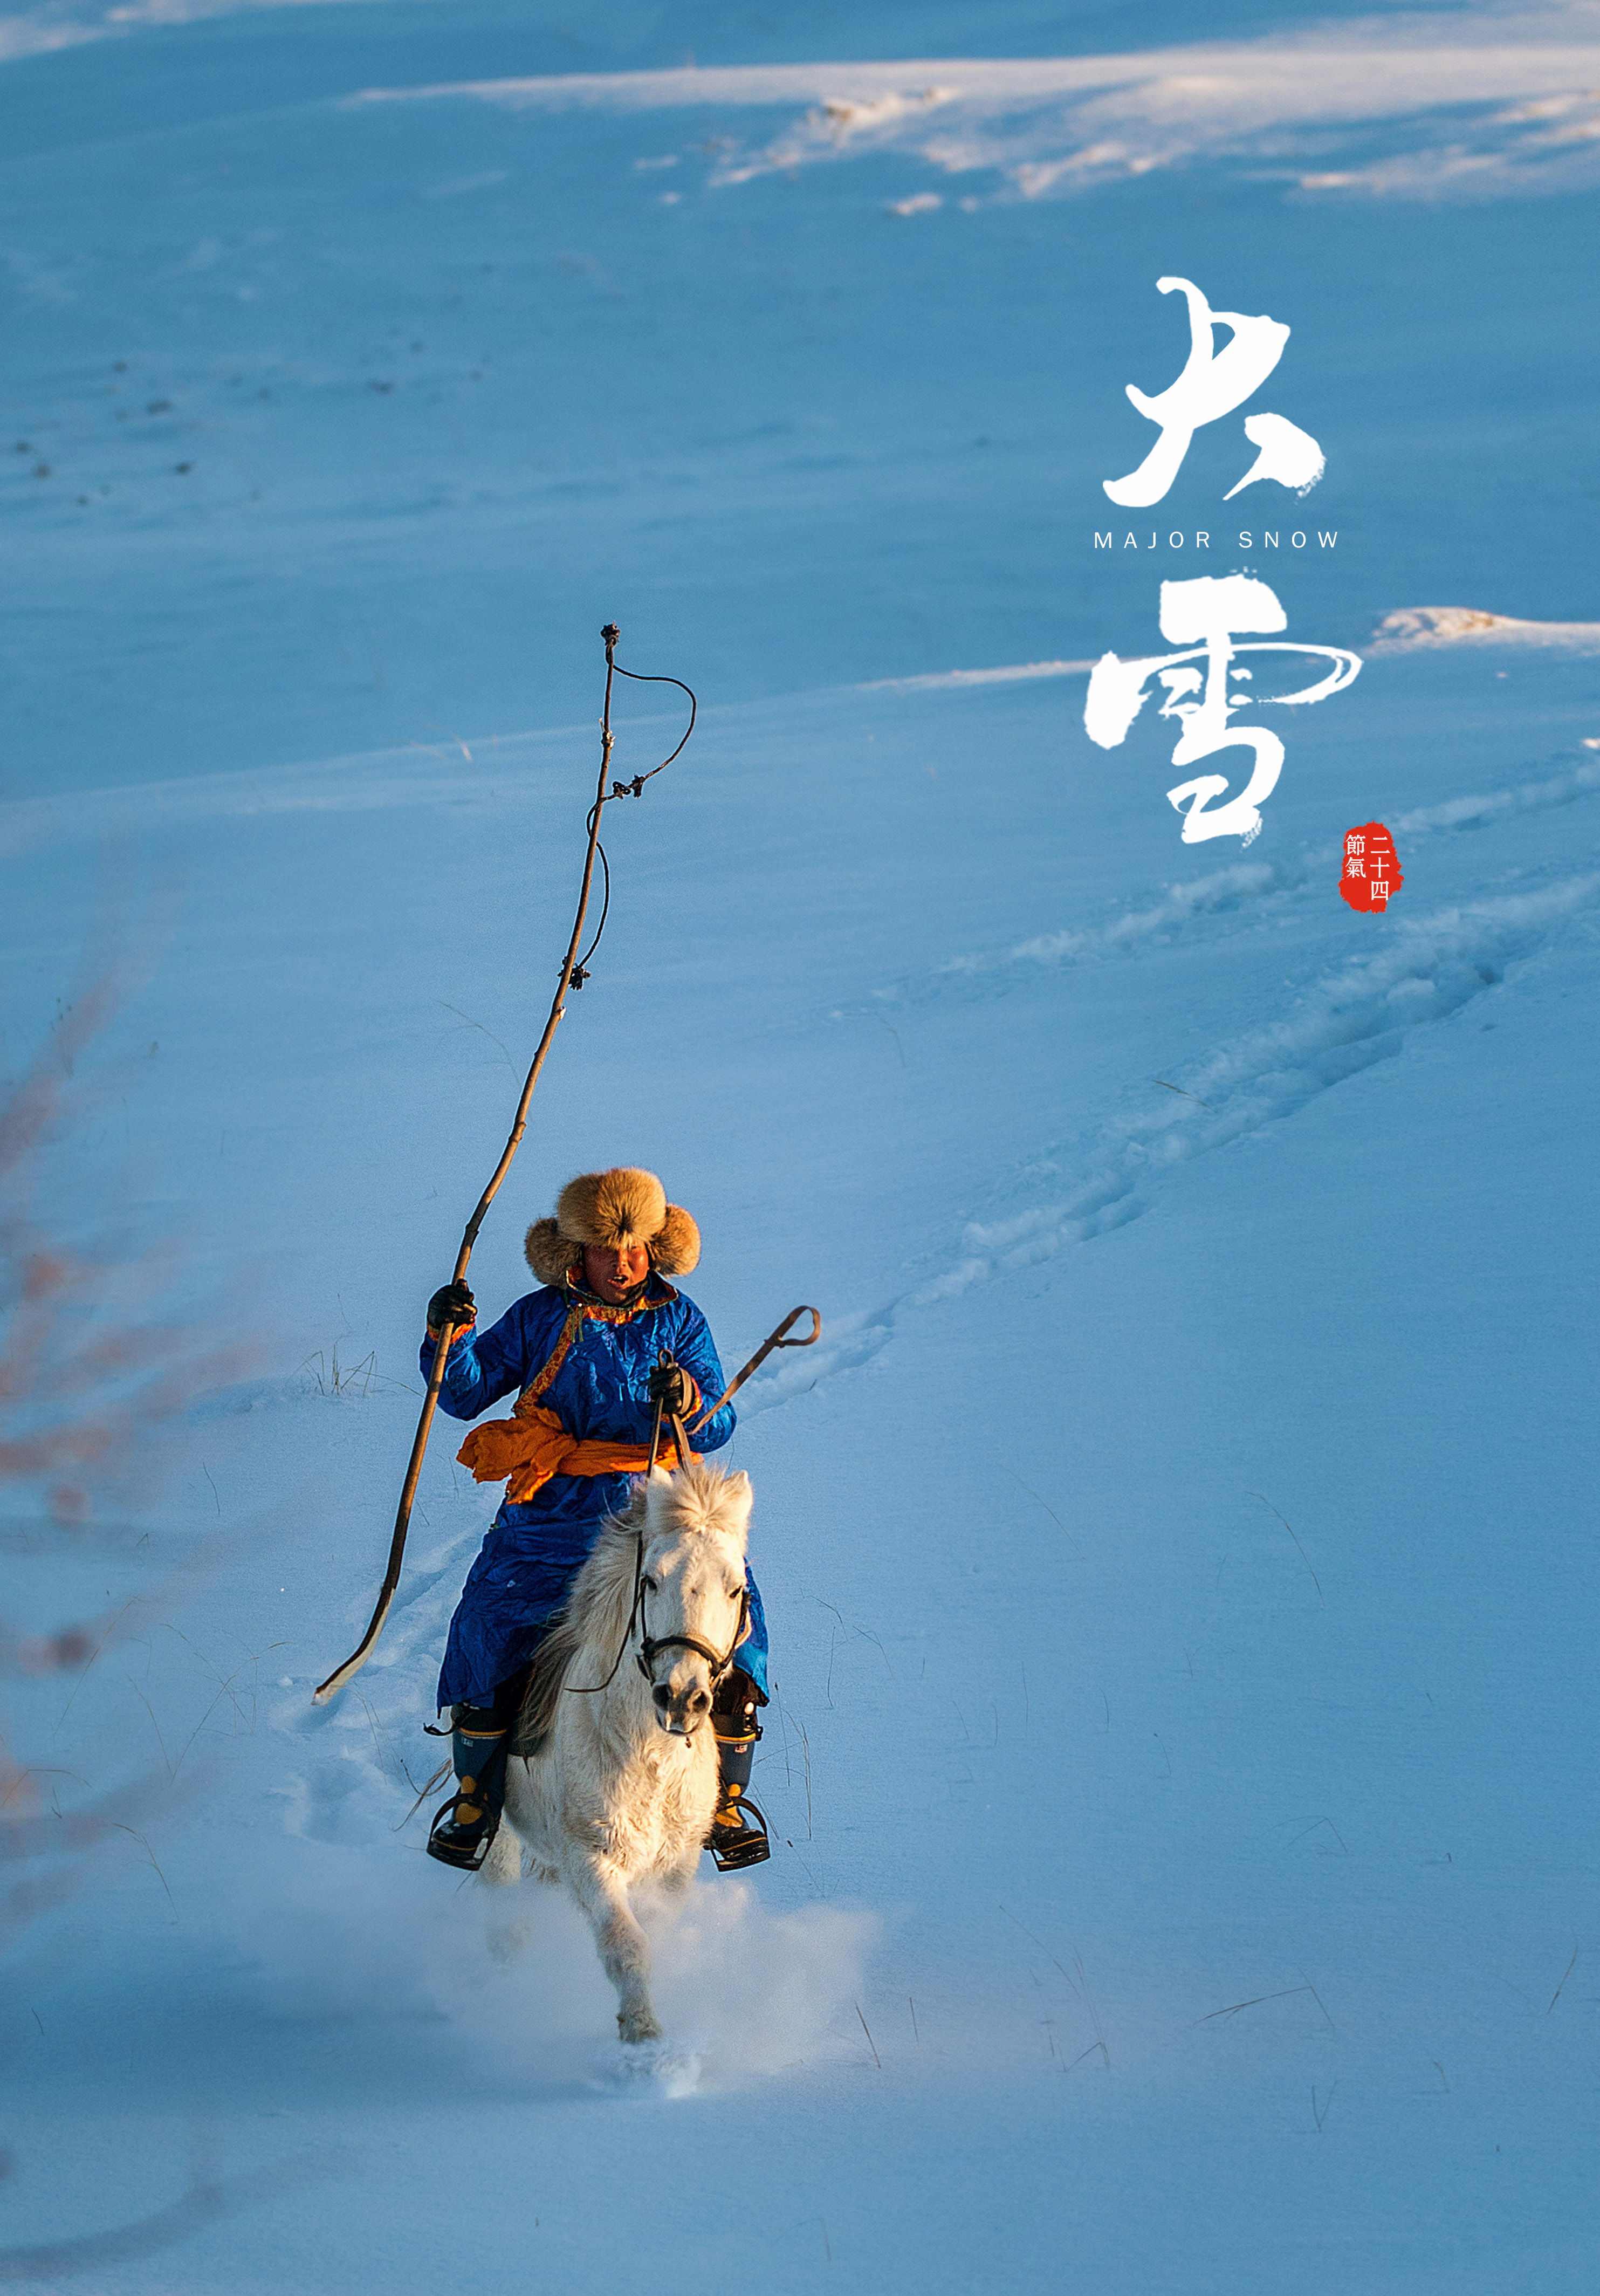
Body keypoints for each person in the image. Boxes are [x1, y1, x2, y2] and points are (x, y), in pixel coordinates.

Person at [420, 1166, 769, 1874]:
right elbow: (461, 1394)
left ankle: (725, 1803)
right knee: (487, 1622)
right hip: (550, 1514)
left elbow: (719, 1422)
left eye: (636, 1247)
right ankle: (475, 1802)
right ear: (577, 1252)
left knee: (736, 1612)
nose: (625, 1263)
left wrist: (688, 1397)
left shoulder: (679, 1318)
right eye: (609, 1251)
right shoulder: (538, 1316)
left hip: (652, 1512)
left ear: (655, 1244)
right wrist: (446, 1334)